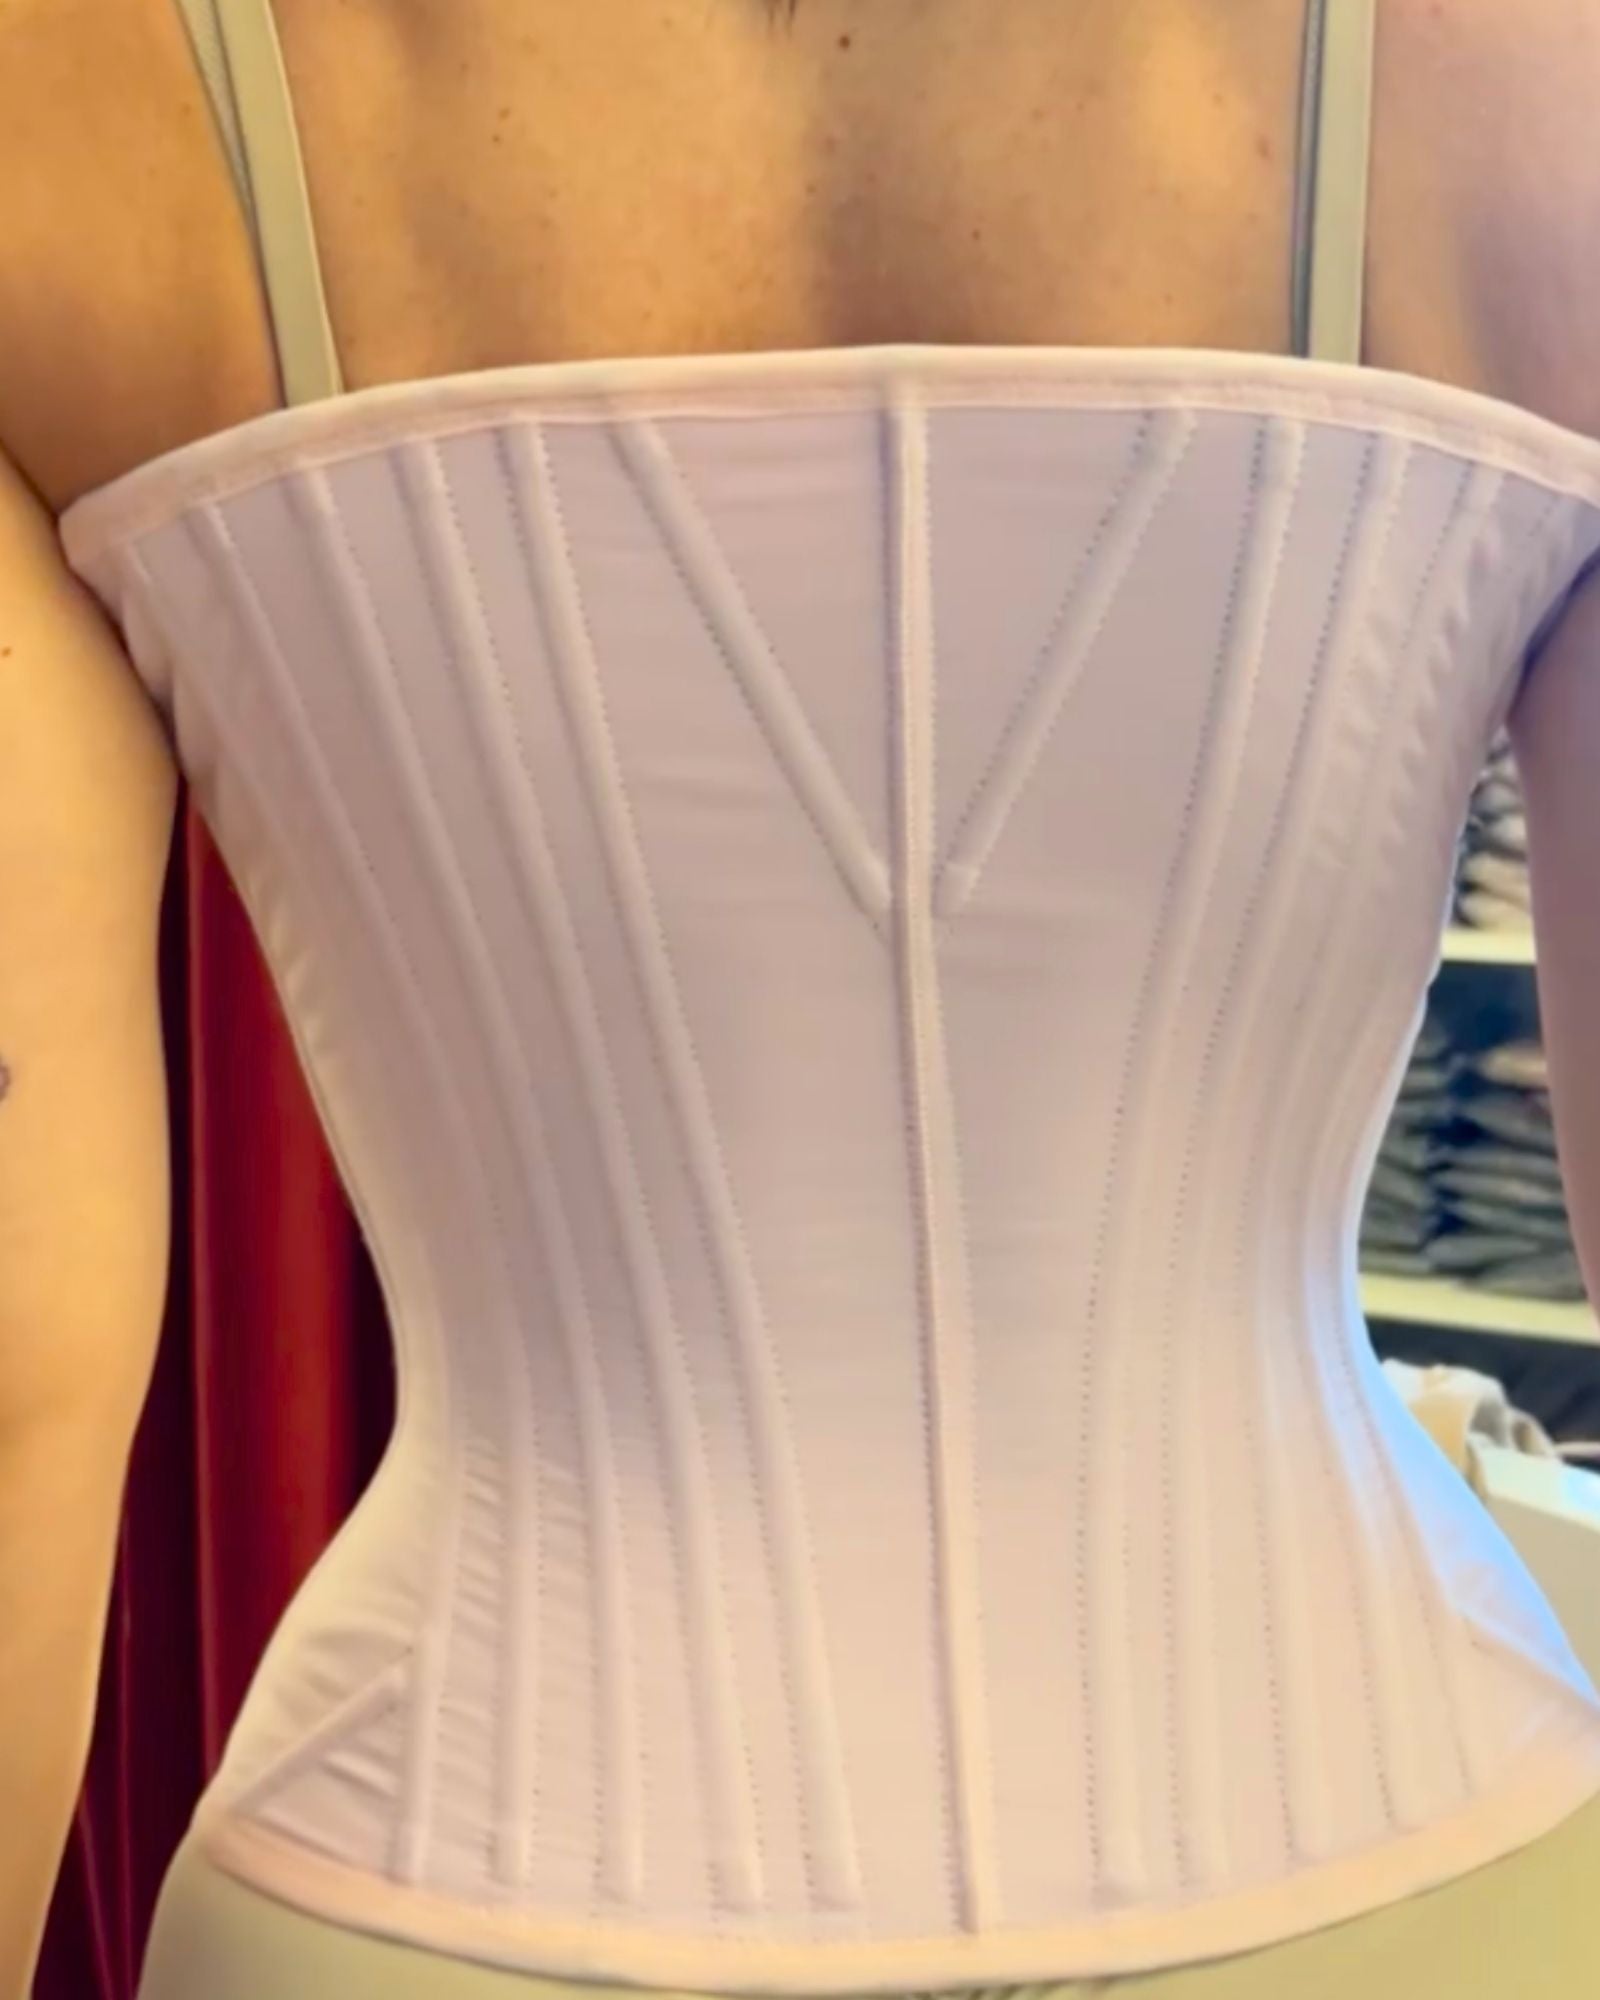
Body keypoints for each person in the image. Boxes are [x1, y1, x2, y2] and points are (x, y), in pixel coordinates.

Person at [4, 1, 1600, 1995]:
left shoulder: (73, 105)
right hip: (1410, 1857)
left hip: (428, 1889)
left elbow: (20, 1370)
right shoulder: (1541, 84)